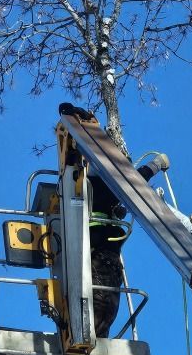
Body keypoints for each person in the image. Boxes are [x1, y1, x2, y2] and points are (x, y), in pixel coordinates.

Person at [58, 102, 169, 338]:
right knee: (101, 306)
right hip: (97, 249)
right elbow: (135, 179)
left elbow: (135, 180)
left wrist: (156, 165)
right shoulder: (94, 178)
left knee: (104, 307)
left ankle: (93, 337)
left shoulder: (100, 182)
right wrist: (157, 164)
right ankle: (92, 337)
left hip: (105, 252)